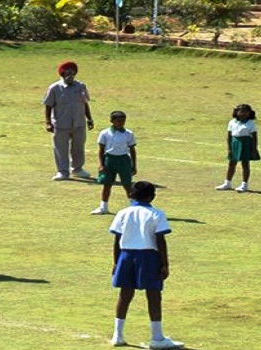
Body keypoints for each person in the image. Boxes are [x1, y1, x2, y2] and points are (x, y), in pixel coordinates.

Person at [107, 181, 183, 349]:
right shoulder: (157, 214)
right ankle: (157, 337)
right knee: (154, 295)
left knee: (125, 294)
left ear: (131, 195)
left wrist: (116, 262)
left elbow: (117, 239)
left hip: (126, 255)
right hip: (149, 257)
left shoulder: (123, 213)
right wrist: (165, 264)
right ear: (152, 197)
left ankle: (117, 335)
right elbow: (160, 240)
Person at [43, 61, 95, 181]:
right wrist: (48, 122)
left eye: (73, 73)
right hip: (61, 124)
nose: (70, 75)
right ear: (62, 74)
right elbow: (48, 105)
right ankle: (62, 171)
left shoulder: (81, 86)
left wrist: (89, 118)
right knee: (61, 148)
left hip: (79, 123)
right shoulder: (54, 88)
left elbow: (85, 103)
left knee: (78, 147)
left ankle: (77, 169)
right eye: (68, 73)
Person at [91, 111, 137, 215]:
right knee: (107, 184)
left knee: (127, 184)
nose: (121, 123)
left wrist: (134, 165)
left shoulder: (128, 134)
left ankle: (134, 207)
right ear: (112, 121)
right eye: (118, 121)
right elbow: (101, 149)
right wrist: (101, 164)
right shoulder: (105, 133)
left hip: (124, 160)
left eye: (123, 121)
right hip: (110, 159)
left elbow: (132, 150)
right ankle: (103, 207)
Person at [215, 104, 260, 192]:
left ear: (249, 113)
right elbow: (229, 136)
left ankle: (244, 185)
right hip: (235, 143)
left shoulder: (250, 123)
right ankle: (227, 183)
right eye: (241, 111)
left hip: (246, 144)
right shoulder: (232, 122)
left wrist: (254, 148)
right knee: (232, 163)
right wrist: (229, 148)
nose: (243, 113)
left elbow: (254, 137)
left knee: (245, 164)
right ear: (237, 112)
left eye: (246, 111)